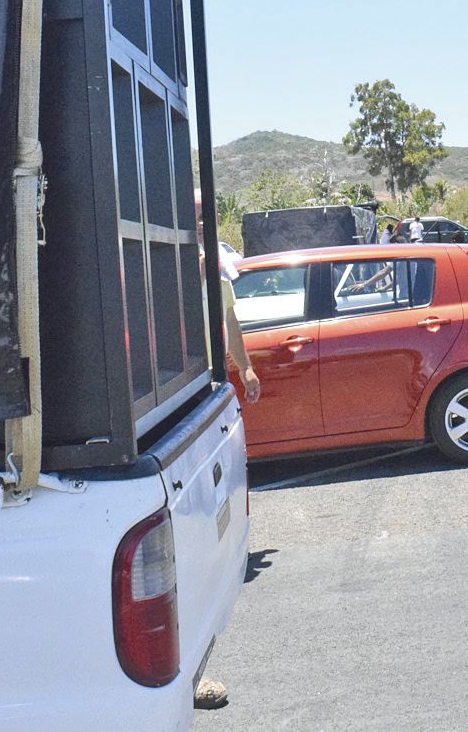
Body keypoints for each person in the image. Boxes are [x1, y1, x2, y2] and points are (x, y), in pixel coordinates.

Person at [196, 248, 258, 711]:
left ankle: (194, 667)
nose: (199, 232)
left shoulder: (216, 276)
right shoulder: (155, 269)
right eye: (194, 221)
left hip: (206, 395)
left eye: (204, 222)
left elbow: (230, 326)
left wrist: (246, 366)